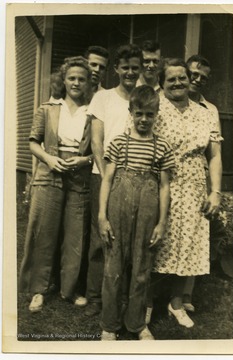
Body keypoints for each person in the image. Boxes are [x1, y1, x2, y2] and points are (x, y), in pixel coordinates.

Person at [98, 85, 175, 340]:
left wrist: (161, 222)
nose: (144, 119)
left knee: (142, 268)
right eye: (139, 113)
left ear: (157, 114)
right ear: (131, 112)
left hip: (147, 210)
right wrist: (102, 216)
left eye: (149, 115)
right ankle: (109, 325)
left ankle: (137, 324)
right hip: (118, 206)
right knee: (114, 265)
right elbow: (107, 180)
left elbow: (164, 187)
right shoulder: (119, 142)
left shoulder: (162, 146)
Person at [152, 58, 223, 328]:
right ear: (162, 82)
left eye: (182, 77)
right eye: (171, 79)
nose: (178, 82)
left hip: (194, 186)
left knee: (189, 244)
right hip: (160, 183)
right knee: (155, 241)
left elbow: (215, 155)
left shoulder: (204, 113)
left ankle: (177, 302)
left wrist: (215, 191)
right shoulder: (153, 106)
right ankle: (145, 304)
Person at [19, 56, 93, 312]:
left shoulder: (92, 112)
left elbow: (98, 149)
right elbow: (32, 141)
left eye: (81, 79)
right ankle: (38, 290)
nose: (76, 83)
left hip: (78, 176)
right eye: (71, 78)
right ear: (63, 80)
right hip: (49, 173)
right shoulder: (48, 108)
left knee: (74, 236)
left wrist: (85, 160)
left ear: (88, 83)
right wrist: (49, 159)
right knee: (44, 233)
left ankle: (69, 290)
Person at [84, 44, 143, 317]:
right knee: (102, 237)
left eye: (135, 67)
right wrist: (107, 172)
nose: (130, 72)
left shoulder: (144, 98)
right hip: (104, 175)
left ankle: (121, 296)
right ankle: (95, 296)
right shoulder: (103, 98)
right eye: (125, 67)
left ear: (140, 69)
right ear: (117, 69)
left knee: (127, 238)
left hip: (135, 179)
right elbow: (97, 141)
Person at [181, 54, 222, 312]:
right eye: (192, 74)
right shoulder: (165, 100)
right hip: (169, 177)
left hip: (197, 179)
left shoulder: (210, 110)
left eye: (202, 78)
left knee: (194, 233)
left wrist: (215, 191)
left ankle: (185, 295)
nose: (196, 80)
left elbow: (215, 154)